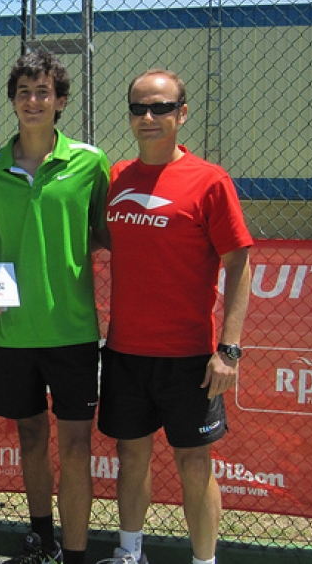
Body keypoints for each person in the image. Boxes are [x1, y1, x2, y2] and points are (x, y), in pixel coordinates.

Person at [96, 70, 252, 564]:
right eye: (139, 108)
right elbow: (90, 241)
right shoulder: (116, 177)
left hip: (190, 358)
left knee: (193, 462)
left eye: (161, 107)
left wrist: (228, 349)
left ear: (182, 114)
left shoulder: (210, 181)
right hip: (125, 351)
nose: (149, 117)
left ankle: (204, 562)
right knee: (131, 456)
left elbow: (239, 263)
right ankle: (129, 553)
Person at [0, 50, 110, 564]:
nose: (33, 101)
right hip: (11, 335)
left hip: (72, 331)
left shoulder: (91, 164)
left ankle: (75, 553)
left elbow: (102, 235)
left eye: (43, 92)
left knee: (75, 448)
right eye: (24, 92)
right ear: (13, 102)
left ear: (60, 101)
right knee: (31, 438)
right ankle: (42, 537)